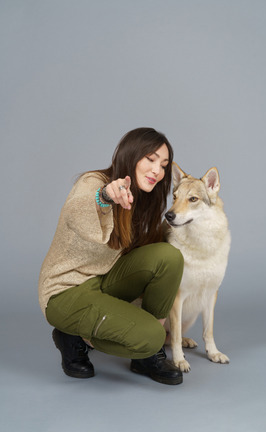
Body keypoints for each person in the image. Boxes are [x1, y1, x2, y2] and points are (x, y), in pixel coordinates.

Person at [38, 127, 184, 385]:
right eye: (150, 159)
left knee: (168, 256)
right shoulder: (93, 182)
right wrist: (105, 196)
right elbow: (76, 210)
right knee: (151, 337)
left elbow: (142, 253)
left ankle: (146, 357)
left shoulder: (143, 199)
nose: (157, 171)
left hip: (105, 280)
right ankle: (71, 336)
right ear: (131, 154)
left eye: (163, 165)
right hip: (65, 291)